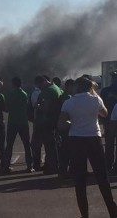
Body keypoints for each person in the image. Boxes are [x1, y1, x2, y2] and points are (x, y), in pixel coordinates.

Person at [58, 77, 117, 218]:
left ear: (77, 87)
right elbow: (105, 113)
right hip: (93, 138)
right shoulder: (95, 99)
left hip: (76, 139)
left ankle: (85, 214)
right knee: (102, 177)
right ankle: (112, 210)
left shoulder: (68, 102)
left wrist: (71, 121)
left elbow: (61, 124)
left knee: (80, 180)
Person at [3, 77, 34, 174]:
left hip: (13, 122)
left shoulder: (10, 94)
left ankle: (6, 166)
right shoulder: (24, 94)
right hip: (23, 122)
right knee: (26, 145)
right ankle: (29, 166)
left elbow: (6, 108)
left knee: (9, 145)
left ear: (13, 84)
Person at [33, 75, 62, 174]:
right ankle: (52, 165)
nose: (40, 88)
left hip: (48, 121)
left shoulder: (48, 91)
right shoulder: (56, 88)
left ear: (44, 82)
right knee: (54, 145)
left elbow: (46, 107)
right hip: (55, 121)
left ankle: (52, 167)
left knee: (50, 146)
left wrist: (38, 106)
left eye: (40, 86)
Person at [57, 78, 74, 178]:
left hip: (64, 125)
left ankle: (63, 170)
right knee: (68, 149)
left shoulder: (64, 95)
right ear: (69, 86)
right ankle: (65, 171)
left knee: (65, 149)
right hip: (67, 126)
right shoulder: (67, 97)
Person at [100, 71, 117, 172]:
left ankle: (109, 164)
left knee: (109, 144)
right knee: (109, 144)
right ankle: (110, 164)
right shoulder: (105, 91)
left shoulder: (105, 91)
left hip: (108, 120)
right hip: (108, 120)